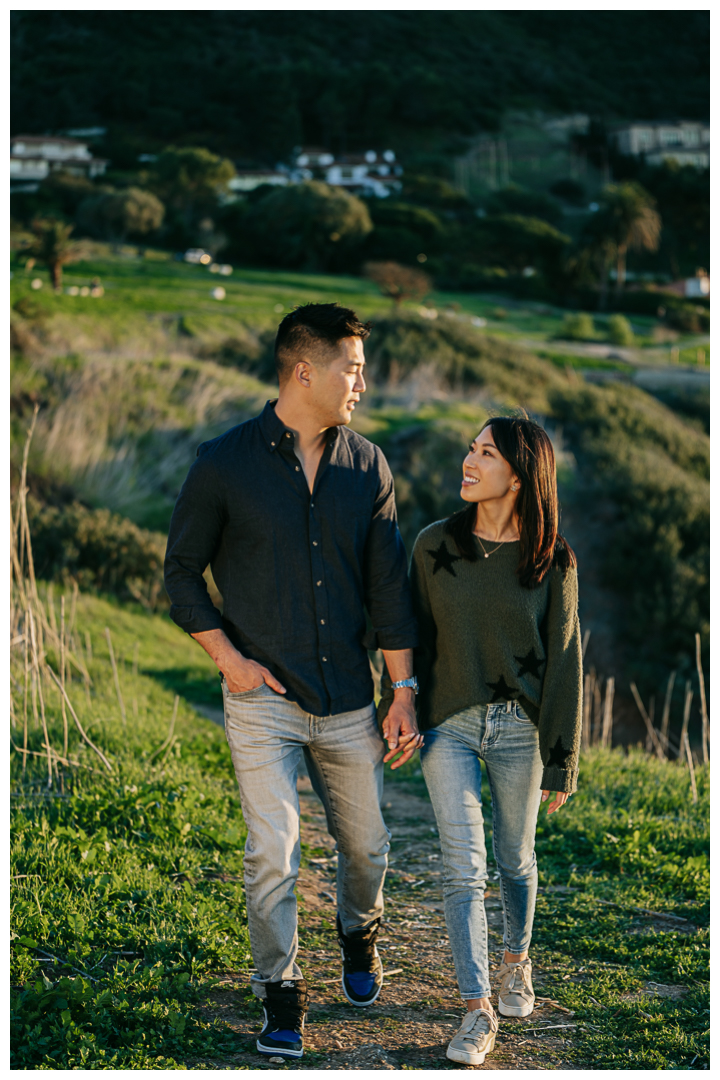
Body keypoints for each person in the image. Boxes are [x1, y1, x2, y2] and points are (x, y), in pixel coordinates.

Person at [164, 303, 422, 1060]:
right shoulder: (223, 462)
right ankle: (280, 993)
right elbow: (181, 572)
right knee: (272, 850)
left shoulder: (368, 466)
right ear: (304, 370)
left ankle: (358, 933)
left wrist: (402, 691)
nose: (362, 386)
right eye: (352, 369)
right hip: (260, 699)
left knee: (368, 848)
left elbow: (388, 589)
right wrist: (231, 662)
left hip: (349, 698)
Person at [405, 415, 581, 1066]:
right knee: (463, 866)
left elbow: (565, 663)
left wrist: (562, 759)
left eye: (486, 452)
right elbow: (409, 635)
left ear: (520, 473)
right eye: (470, 448)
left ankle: (516, 962)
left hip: (521, 731)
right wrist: (399, 706)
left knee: (516, 858)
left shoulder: (553, 558)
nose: (468, 460)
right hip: (448, 723)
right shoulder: (431, 546)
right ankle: (477, 1009)